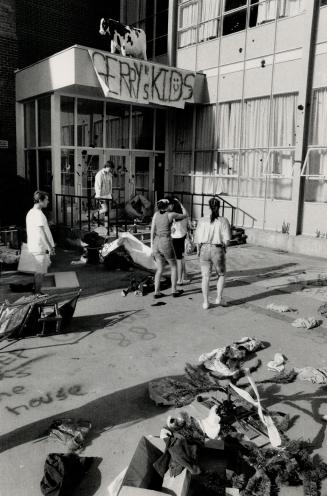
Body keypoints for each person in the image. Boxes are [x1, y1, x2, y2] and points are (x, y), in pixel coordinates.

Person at [194, 197, 231, 310]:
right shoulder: (223, 220)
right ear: (219, 207)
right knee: (221, 274)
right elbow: (227, 240)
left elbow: (197, 239)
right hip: (217, 249)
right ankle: (219, 298)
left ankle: (206, 302)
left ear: (208, 207)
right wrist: (224, 248)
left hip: (204, 249)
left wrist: (198, 250)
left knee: (205, 277)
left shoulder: (202, 220)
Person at [150, 198, 187, 299]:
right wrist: (180, 204)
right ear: (167, 206)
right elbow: (185, 215)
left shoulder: (155, 215)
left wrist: (151, 245)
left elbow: (152, 231)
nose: (172, 206)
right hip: (165, 242)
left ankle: (156, 292)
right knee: (173, 266)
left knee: (160, 269)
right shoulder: (171, 214)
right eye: (170, 205)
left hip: (156, 242)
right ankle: (174, 291)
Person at [26, 190, 55, 293]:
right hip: (40, 247)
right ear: (40, 200)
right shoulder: (38, 214)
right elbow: (41, 233)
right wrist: (50, 247)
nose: (48, 201)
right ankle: (37, 294)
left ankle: (37, 292)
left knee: (40, 271)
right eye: (46, 199)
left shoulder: (31, 212)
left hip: (36, 246)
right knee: (40, 272)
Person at [171, 197, 191, 286]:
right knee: (181, 259)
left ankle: (180, 278)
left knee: (177, 260)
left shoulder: (172, 216)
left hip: (173, 238)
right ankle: (182, 277)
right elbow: (189, 225)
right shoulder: (184, 216)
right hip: (182, 237)